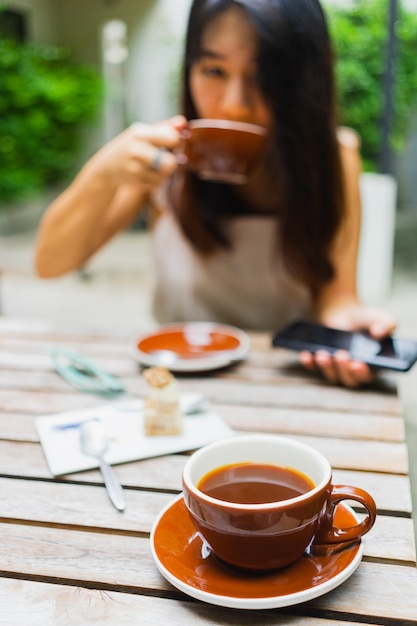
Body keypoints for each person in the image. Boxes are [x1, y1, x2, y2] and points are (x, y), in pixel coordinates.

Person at [35, 0, 396, 388]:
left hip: (286, 387)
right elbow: (51, 264)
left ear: (304, 82)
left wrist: (345, 328)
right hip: (175, 383)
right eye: (214, 70)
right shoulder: (160, 163)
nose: (234, 105)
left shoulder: (333, 158)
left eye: (265, 76)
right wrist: (101, 173)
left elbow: (335, 296)